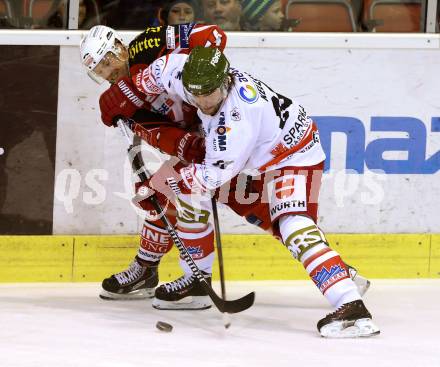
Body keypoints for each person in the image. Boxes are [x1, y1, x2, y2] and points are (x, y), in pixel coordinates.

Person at [121, 46, 380, 337]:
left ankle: (351, 305)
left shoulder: (236, 120)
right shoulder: (181, 71)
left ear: (226, 81)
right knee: (205, 197)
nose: (203, 102)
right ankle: (197, 279)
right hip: (254, 155)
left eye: (210, 93)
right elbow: (153, 75)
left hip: (293, 156)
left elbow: (209, 176)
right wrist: (126, 93)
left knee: (294, 227)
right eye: (196, 94)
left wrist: (160, 184)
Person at [80, 23, 227, 309]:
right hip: (197, 141)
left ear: (120, 48)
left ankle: (330, 269)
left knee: (265, 208)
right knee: (157, 194)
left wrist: (200, 80)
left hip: (224, 126)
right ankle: (147, 270)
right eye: (100, 72)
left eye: (109, 63)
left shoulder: (149, 44)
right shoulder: (122, 93)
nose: (108, 74)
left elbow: (215, 34)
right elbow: (157, 130)